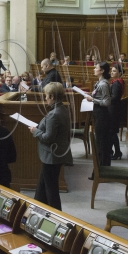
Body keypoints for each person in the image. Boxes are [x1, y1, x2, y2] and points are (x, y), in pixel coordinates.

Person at [28, 83, 73, 211]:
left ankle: (56, 215)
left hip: (52, 156)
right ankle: (36, 209)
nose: (45, 98)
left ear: (52, 96)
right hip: (57, 154)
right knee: (42, 185)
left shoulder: (54, 114)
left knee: (51, 189)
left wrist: (35, 131)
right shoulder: (62, 109)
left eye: (46, 96)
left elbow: (48, 138)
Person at [85, 63, 113, 172]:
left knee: (102, 143)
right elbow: (99, 96)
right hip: (98, 114)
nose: (94, 69)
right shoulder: (99, 83)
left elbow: (107, 102)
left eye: (96, 68)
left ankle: (103, 169)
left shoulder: (103, 84)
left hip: (103, 115)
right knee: (99, 142)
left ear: (102, 71)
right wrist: (90, 95)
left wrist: (92, 99)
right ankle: (100, 169)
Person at [109, 66, 125, 161]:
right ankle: (114, 151)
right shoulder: (119, 81)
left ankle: (117, 152)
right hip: (115, 109)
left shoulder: (116, 84)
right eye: (111, 71)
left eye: (114, 71)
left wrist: (105, 98)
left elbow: (114, 98)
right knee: (112, 132)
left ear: (119, 73)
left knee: (112, 133)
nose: (111, 72)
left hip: (113, 110)